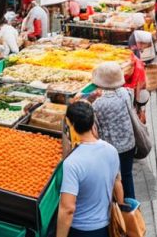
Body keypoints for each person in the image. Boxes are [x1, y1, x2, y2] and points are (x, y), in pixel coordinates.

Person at [58, 101, 122, 237]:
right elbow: (117, 183)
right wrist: (121, 211)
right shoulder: (111, 150)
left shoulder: (72, 163)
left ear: (71, 125)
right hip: (105, 226)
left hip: (80, 230)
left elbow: (68, 208)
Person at [90, 63, 137, 200]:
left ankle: (119, 207)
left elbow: (95, 127)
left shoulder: (98, 104)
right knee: (127, 175)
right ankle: (132, 208)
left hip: (111, 148)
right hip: (129, 143)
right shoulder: (126, 93)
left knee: (114, 179)